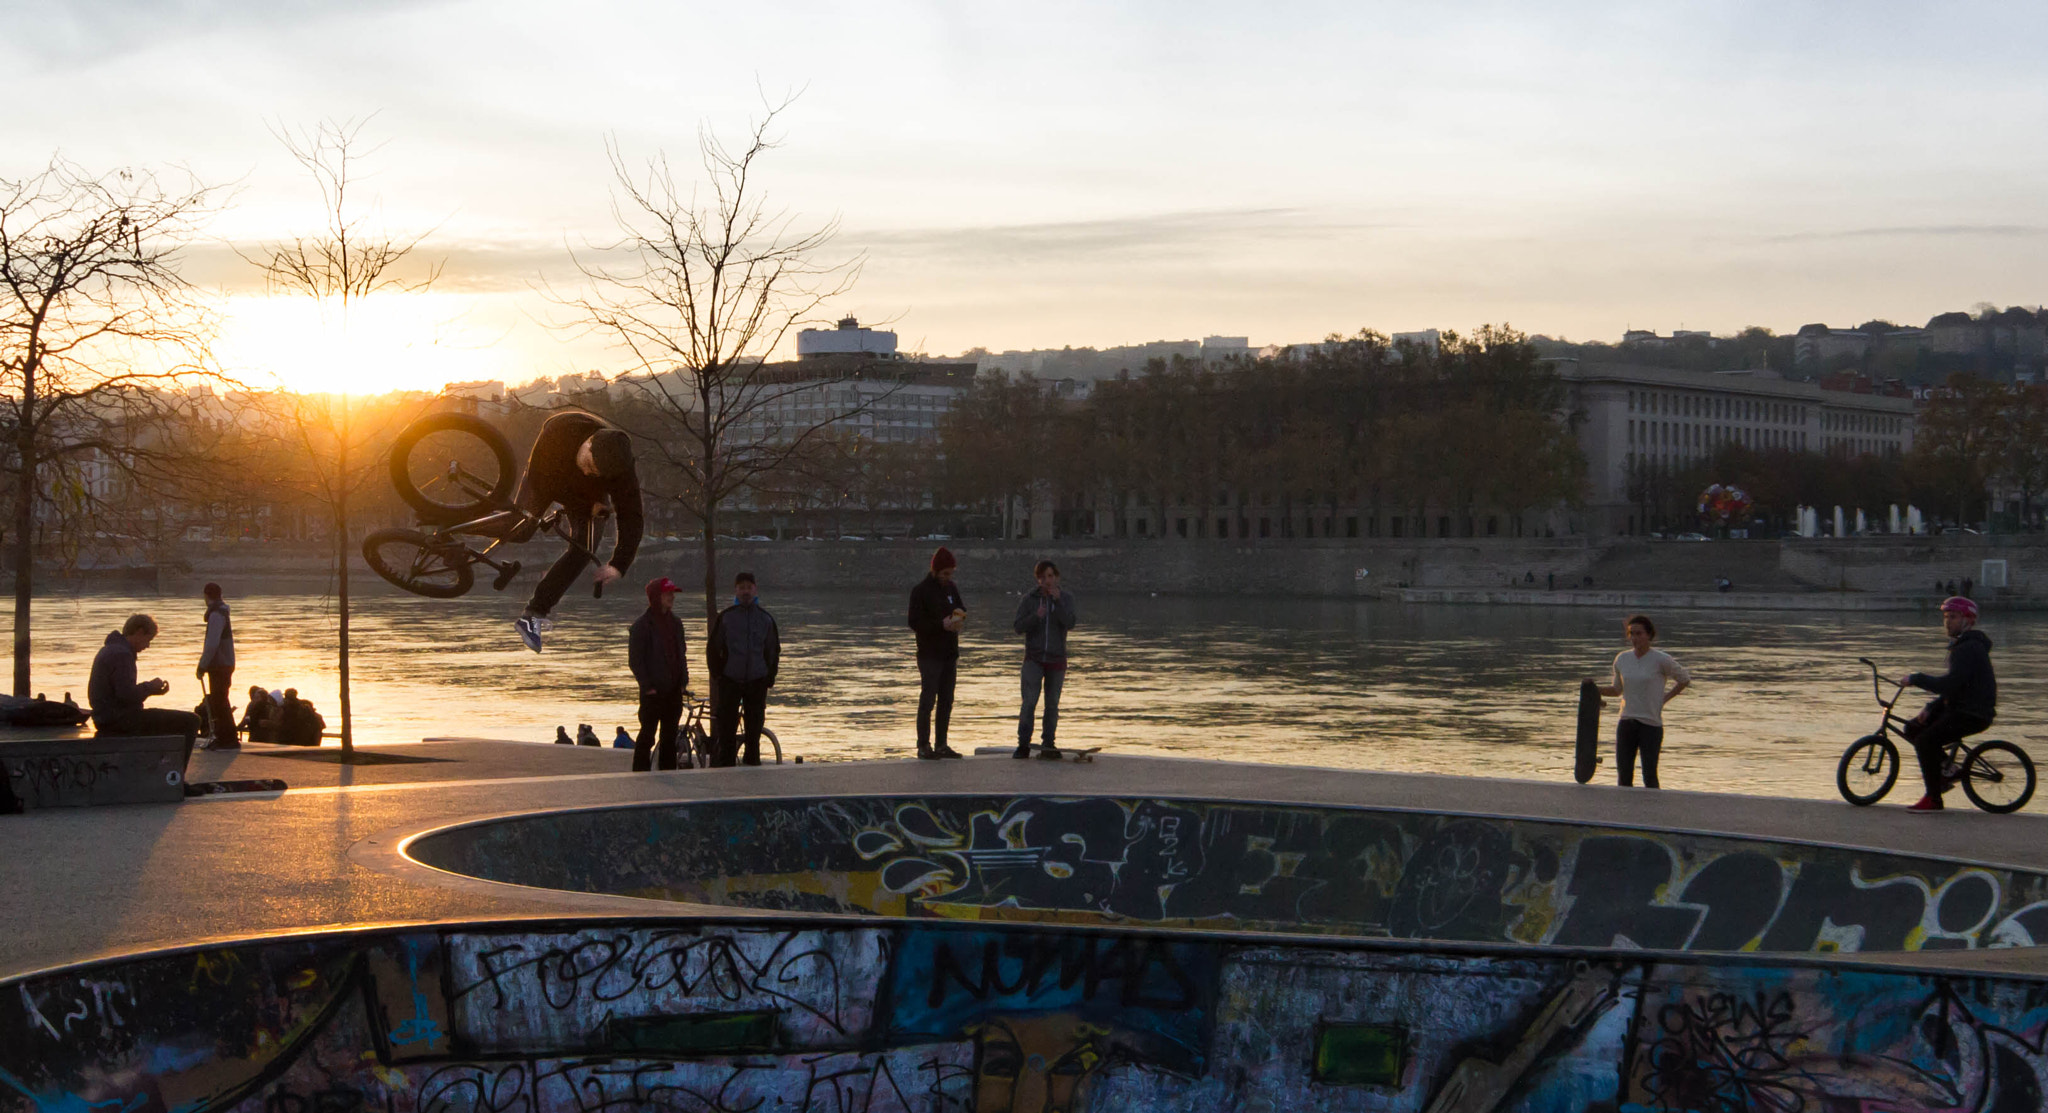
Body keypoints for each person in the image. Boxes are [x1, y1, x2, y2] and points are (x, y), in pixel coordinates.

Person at [507, 410, 645, 653]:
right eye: (589, 464)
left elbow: (631, 516)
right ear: (588, 443)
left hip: (589, 493)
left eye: (596, 472)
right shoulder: (560, 431)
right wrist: (586, 505)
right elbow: (543, 483)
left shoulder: (620, 467)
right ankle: (449, 522)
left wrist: (619, 564)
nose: (588, 471)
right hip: (549, 472)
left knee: (584, 549)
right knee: (520, 528)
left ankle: (533, 614)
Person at [1896, 596, 1997, 813]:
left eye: (1953, 617)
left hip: (1973, 713)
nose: (1947, 622)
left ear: (1968, 620)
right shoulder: (1962, 646)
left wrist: (1916, 678)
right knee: (1913, 727)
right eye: (1945, 617)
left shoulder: (1968, 648)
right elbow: (1957, 687)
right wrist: (1932, 707)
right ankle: (1948, 770)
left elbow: (1949, 684)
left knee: (1925, 741)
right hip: (1960, 706)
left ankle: (1934, 799)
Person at [1586, 614, 1690, 789]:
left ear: (1649, 635)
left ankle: (1651, 813)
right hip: (1627, 722)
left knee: (1649, 776)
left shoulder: (1661, 659)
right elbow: (1617, 690)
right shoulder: (1622, 659)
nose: (1634, 638)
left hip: (1650, 724)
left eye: (1639, 634)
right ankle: (1625, 813)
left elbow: (1684, 679)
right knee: (1624, 776)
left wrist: (1664, 699)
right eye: (1631, 634)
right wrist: (1594, 690)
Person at [87, 614, 201, 769]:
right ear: (139, 632)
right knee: (191, 721)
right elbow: (126, 696)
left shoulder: (110, 649)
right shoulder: (122, 654)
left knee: (164, 719)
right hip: (117, 720)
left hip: (106, 717)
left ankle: (162, 770)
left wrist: (153, 692)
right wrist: (150, 687)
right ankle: (176, 778)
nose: (148, 646)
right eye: (149, 639)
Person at [706, 572, 779, 767]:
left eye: (749, 587)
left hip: (757, 681)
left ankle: (752, 766)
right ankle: (727, 769)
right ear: (736, 591)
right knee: (727, 730)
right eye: (741, 588)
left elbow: (772, 650)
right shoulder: (726, 618)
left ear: (755, 589)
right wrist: (718, 675)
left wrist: (769, 677)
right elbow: (713, 648)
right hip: (730, 680)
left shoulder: (766, 619)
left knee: (754, 731)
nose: (745, 591)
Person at [1012, 560, 1078, 759]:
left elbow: (1070, 623)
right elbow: (1017, 627)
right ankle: (1023, 744)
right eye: (1042, 577)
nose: (1046, 581)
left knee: (1052, 704)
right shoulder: (1029, 599)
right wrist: (1036, 617)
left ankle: (1048, 743)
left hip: (1056, 660)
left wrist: (1057, 603)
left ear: (1056, 577)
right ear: (1038, 579)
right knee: (1029, 702)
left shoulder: (1066, 598)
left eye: (1050, 576)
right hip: (1034, 658)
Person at [908, 547, 967, 760]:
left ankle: (942, 744)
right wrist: (940, 625)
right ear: (935, 570)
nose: (948, 578)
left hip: (950, 653)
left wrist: (958, 619)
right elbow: (914, 622)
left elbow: (961, 608)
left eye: (950, 573)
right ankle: (924, 745)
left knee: (946, 700)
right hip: (929, 654)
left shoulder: (951, 588)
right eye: (945, 574)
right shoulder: (920, 591)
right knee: (928, 700)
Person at [628, 576, 690, 771]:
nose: (672, 597)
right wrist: (648, 687)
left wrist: (683, 682)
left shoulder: (676, 623)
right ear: (656, 597)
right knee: (647, 736)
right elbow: (636, 661)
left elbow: (682, 654)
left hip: (673, 691)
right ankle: (640, 775)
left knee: (669, 739)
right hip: (652, 693)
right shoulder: (641, 626)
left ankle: (668, 776)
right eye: (668, 593)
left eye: (672, 593)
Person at [196, 583, 237, 749]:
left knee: (219, 702)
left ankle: (225, 739)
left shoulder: (216, 615)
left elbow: (212, 644)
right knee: (221, 700)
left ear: (206, 595)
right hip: (226, 663)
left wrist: (202, 665)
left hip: (219, 665)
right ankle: (228, 737)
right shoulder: (222, 612)